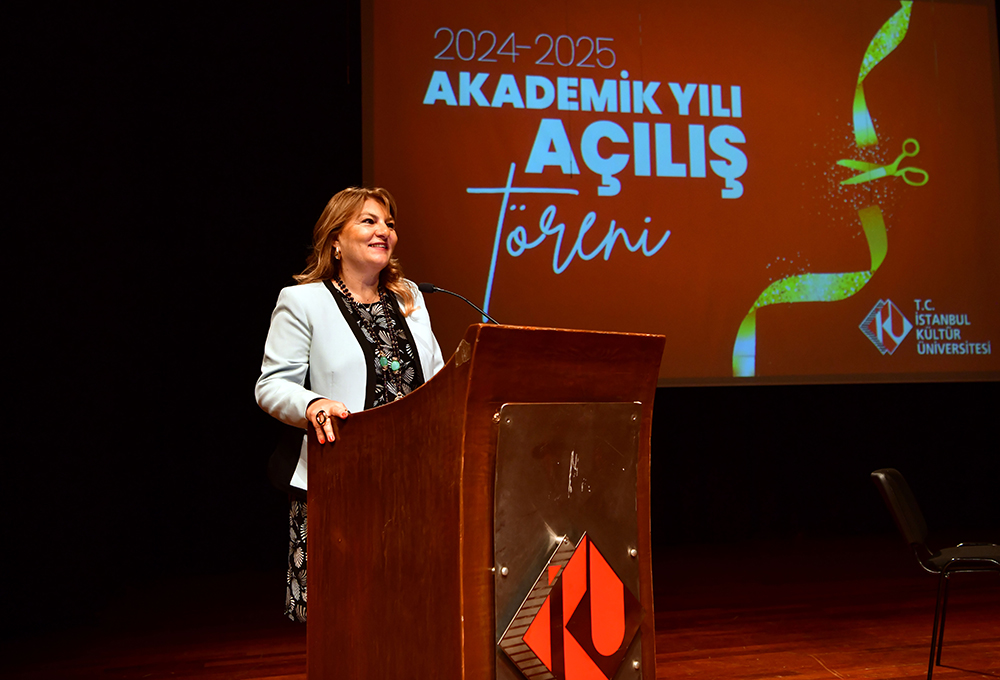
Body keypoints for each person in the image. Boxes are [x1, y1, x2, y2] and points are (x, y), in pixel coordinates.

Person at [255, 187, 445, 623]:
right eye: (369, 221)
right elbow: (271, 385)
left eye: (389, 224)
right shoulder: (303, 301)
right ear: (335, 240)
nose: (384, 231)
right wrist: (312, 404)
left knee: (411, 613)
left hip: (416, 481)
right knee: (344, 618)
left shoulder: (409, 298)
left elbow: (436, 377)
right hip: (341, 482)